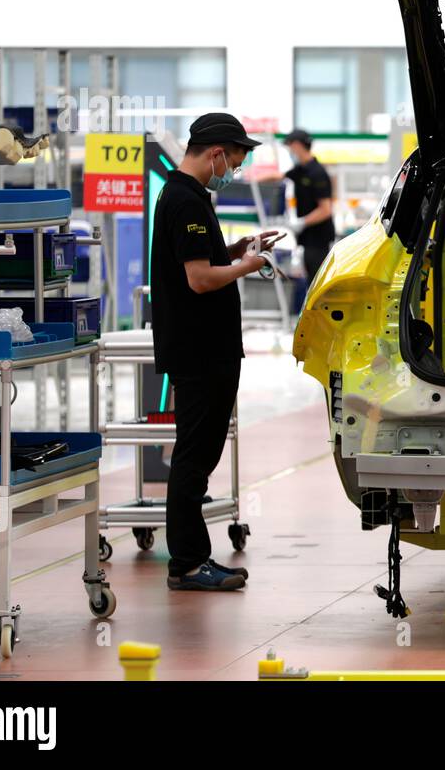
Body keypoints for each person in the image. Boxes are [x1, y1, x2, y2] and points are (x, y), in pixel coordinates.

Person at [151, 113, 279, 591]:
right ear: (216, 153)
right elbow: (200, 279)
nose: (236, 170)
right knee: (193, 457)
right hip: (198, 351)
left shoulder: (187, 195)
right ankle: (186, 562)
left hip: (206, 349)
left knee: (199, 456)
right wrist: (247, 266)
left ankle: (190, 558)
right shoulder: (184, 198)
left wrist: (240, 248)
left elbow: (204, 260)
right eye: (237, 160)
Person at [280, 130, 337, 315]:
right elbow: (280, 176)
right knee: (311, 285)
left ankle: (320, 324)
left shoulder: (317, 173)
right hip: (307, 240)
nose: (290, 151)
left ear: (297, 145)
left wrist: (302, 222)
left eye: (290, 147)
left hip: (318, 241)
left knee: (317, 287)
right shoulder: (300, 171)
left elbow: (326, 209)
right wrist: (251, 179)